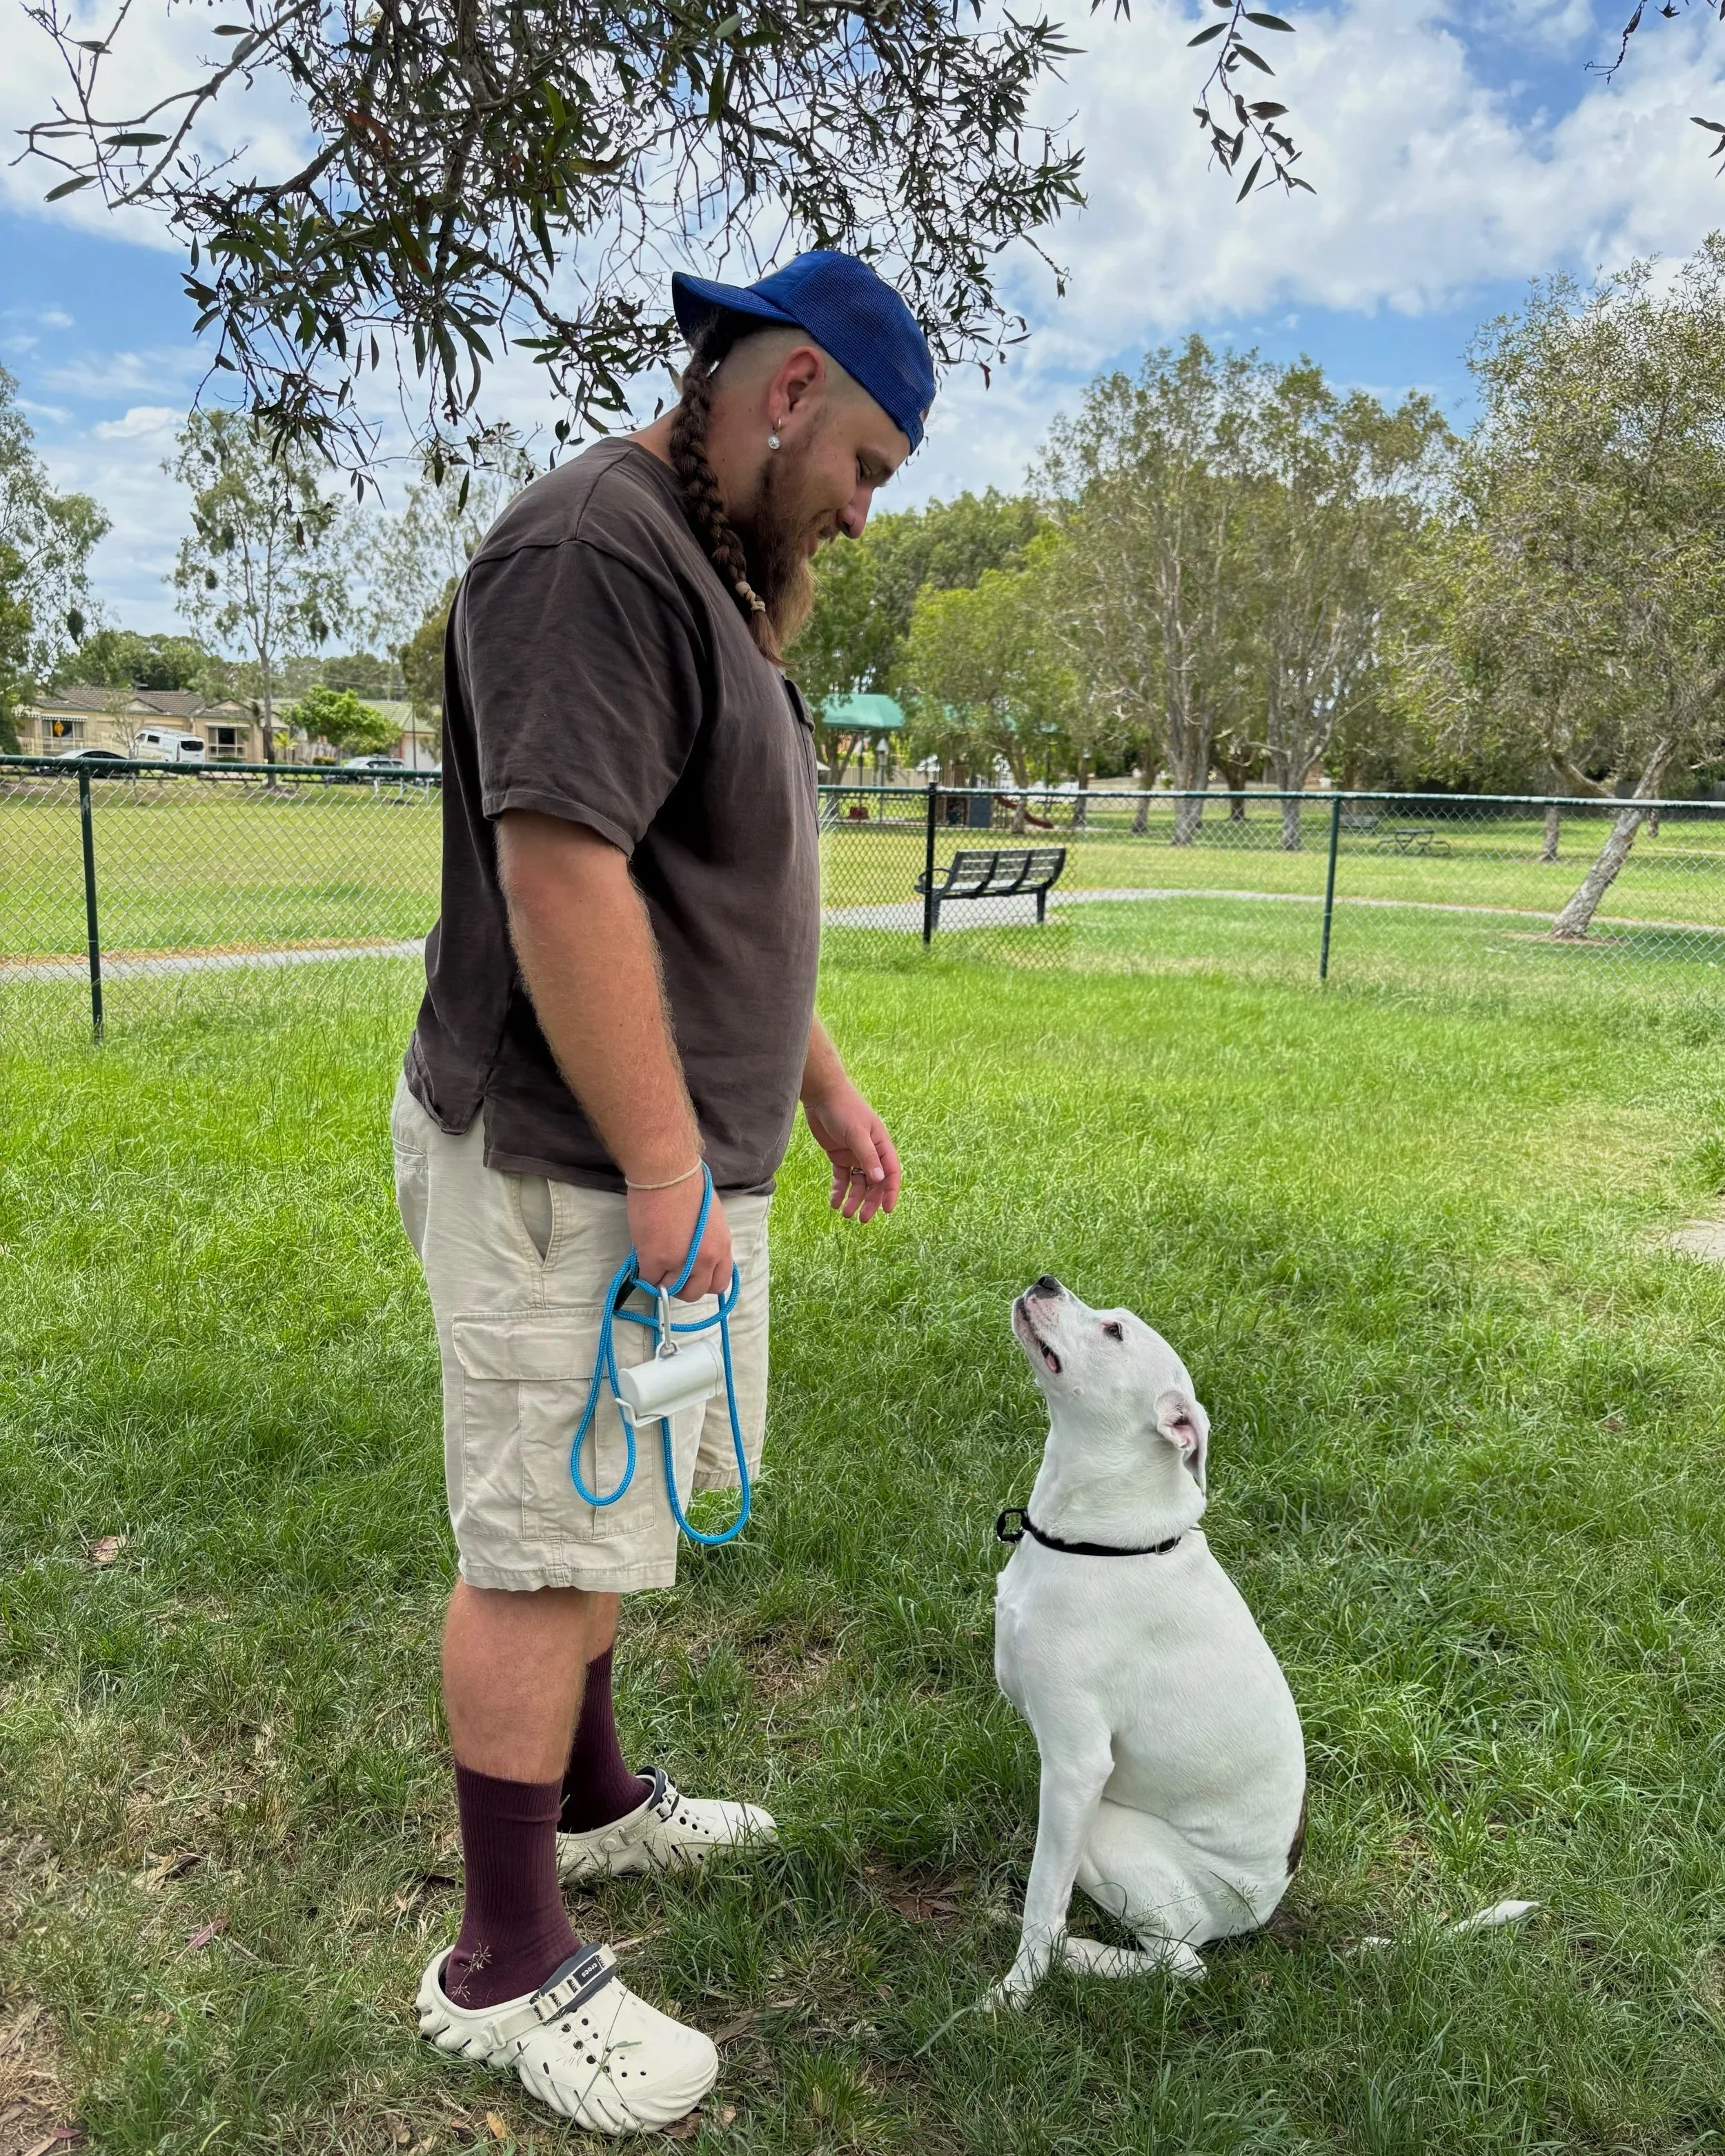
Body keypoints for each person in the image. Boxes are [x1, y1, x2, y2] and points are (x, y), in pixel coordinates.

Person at [389, 250, 936, 2131]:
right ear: (783, 392)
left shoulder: (719, 581)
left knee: (617, 1509)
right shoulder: (588, 553)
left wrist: (822, 1086)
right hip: (563, 1149)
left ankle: (600, 1805)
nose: (862, 515)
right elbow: (563, 871)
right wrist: (654, 1160)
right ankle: (502, 1958)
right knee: (544, 1539)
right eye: (863, 463)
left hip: (670, 1151)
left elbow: (725, 889)